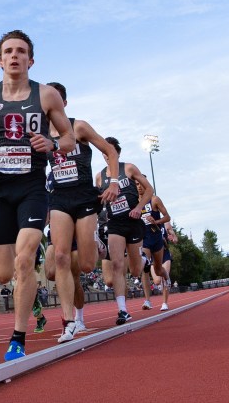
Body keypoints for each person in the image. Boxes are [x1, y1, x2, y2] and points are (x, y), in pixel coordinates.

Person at [0, 29, 75, 361]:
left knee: (24, 260)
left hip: (32, 189)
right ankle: (28, 284)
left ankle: (18, 336)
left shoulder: (47, 96)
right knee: (3, 273)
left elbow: (68, 138)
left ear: (31, 59)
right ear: (0, 60)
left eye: (21, 51)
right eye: (9, 51)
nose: (15, 56)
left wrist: (52, 144)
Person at [45, 82, 119, 342]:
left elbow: (109, 151)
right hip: (59, 200)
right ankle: (68, 322)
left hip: (85, 198)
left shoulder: (79, 127)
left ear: (63, 103)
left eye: (55, 100)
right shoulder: (42, 134)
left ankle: (94, 240)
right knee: (62, 257)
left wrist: (114, 182)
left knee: (87, 265)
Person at [96, 136, 154, 325]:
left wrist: (139, 208)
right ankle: (122, 310)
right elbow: (98, 201)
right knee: (117, 266)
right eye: (103, 151)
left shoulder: (128, 168)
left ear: (117, 153)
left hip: (133, 221)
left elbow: (149, 189)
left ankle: (144, 260)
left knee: (136, 271)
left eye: (110, 151)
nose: (106, 155)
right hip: (115, 224)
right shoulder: (100, 176)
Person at [136, 178, 172, 311]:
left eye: (141, 184)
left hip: (156, 238)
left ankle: (166, 276)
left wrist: (155, 221)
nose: (139, 187)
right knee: (144, 266)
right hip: (143, 238)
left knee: (158, 270)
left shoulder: (155, 199)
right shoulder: (134, 202)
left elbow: (167, 217)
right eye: (136, 184)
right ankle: (147, 300)